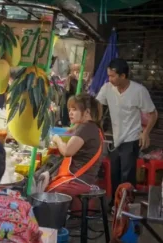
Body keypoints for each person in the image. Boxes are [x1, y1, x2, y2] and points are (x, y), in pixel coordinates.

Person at [96, 58, 157, 201]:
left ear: (123, 76)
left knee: (127, 175)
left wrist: (145, 133)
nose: (109, 79)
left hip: (131, 137)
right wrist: (98, 121)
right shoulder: (107, 88)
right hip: (116, 138)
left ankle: (127, 206)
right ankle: (115, 204)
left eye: (112, 76)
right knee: (114, 173)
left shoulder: (139, 91)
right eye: (108, 75)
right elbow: (98, 103)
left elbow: (153, 114)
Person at [46, 94, 104, 211]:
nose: (70, 113)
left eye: (75, 109)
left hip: (78, 182)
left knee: (43, 192)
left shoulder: (85, 128)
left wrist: (57, 139)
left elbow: (67, 151)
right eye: (69, 110)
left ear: (87, 112)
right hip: (86, 179)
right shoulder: (91, 126)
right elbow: (73, 130)